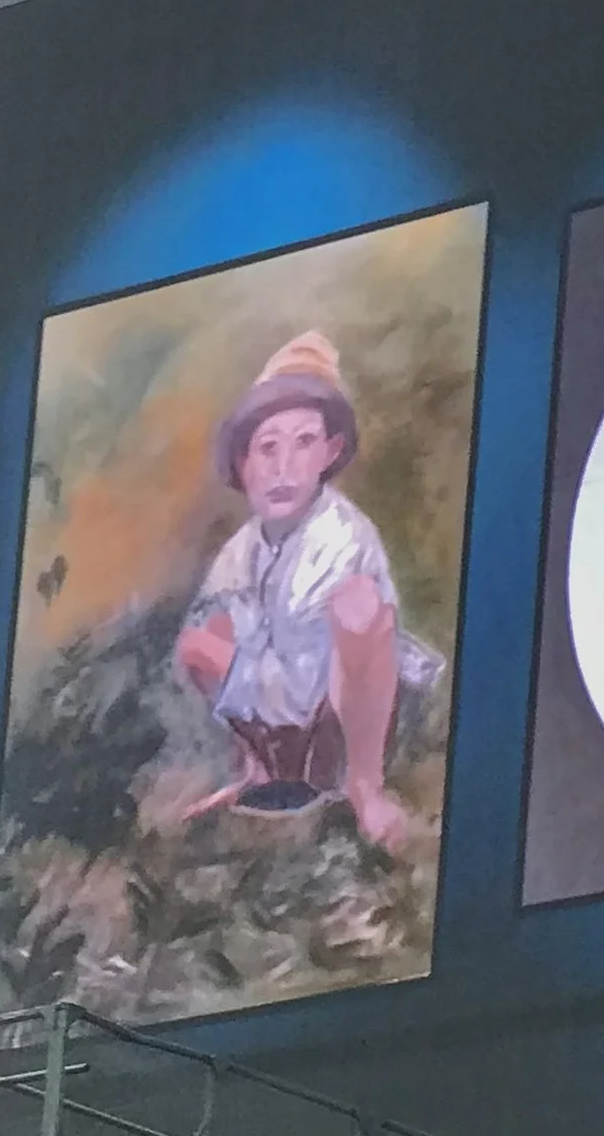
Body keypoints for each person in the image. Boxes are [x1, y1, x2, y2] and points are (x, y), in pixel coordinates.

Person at [173, 331, 424, 847]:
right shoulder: (241, 552)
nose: (283, 468)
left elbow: (309, 676)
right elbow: (235, 647)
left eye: (304, 443)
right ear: (242, 465)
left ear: (331, 451)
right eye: (267, 448)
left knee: (360, 610)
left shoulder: (342, 535)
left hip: (343, 708)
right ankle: (260, 771)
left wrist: (260, 686)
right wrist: (234, 671)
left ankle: (365, 787)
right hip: (284, 704)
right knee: (201, 638)